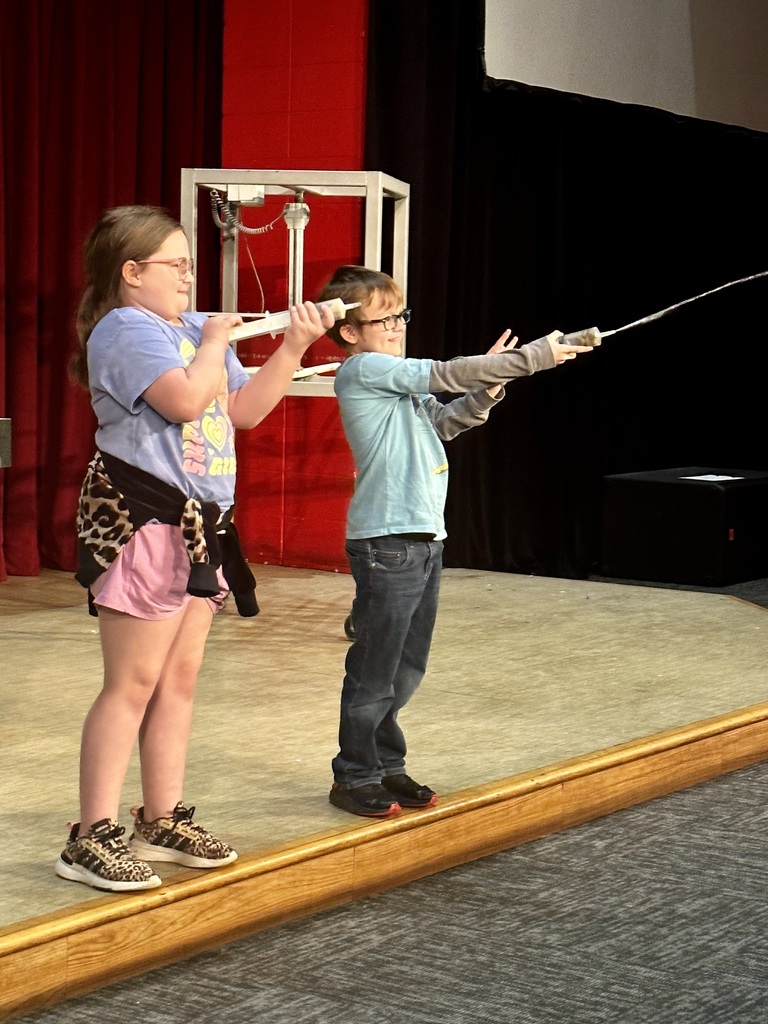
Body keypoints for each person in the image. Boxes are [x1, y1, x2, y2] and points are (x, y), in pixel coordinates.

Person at [57, 204, 335, 892]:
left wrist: (294, 346)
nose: (189, 276)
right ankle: (89, 835)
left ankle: (159, 819)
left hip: (200, 528)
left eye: (189, 264)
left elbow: (239, 411)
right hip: (142, 523)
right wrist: (213, 342)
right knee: (132, 684)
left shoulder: (186, 328)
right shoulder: (124, 329)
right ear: (131, 273)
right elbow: (184, 401)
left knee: (177, 682)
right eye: (175, 265)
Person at [316, 265, 593, 817]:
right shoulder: (364, 370)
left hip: (424, 538)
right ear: (350, 331)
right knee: (375, 667)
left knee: (405, 666)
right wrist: (533, 356)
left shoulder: (392, 380)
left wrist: (493, 383)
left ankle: (387, 767)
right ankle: (354, 775)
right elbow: (445, 373)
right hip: (387, 541)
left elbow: (444, 422)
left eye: (400, 315)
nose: (396, 326)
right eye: (383, 317)